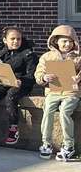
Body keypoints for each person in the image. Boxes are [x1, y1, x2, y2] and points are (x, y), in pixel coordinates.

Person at [35, 25, 81, 161]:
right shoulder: (47, 57)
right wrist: (44, 78)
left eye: (70, 41)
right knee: (48, 109)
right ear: (56, 41)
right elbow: (38, 73)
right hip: (53, 91)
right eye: (64, 41)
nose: (67, 44)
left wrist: (79, 77)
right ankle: (46, 143)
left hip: (72, 91)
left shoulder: (78, 57)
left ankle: (69, 145)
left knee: (64, 111)